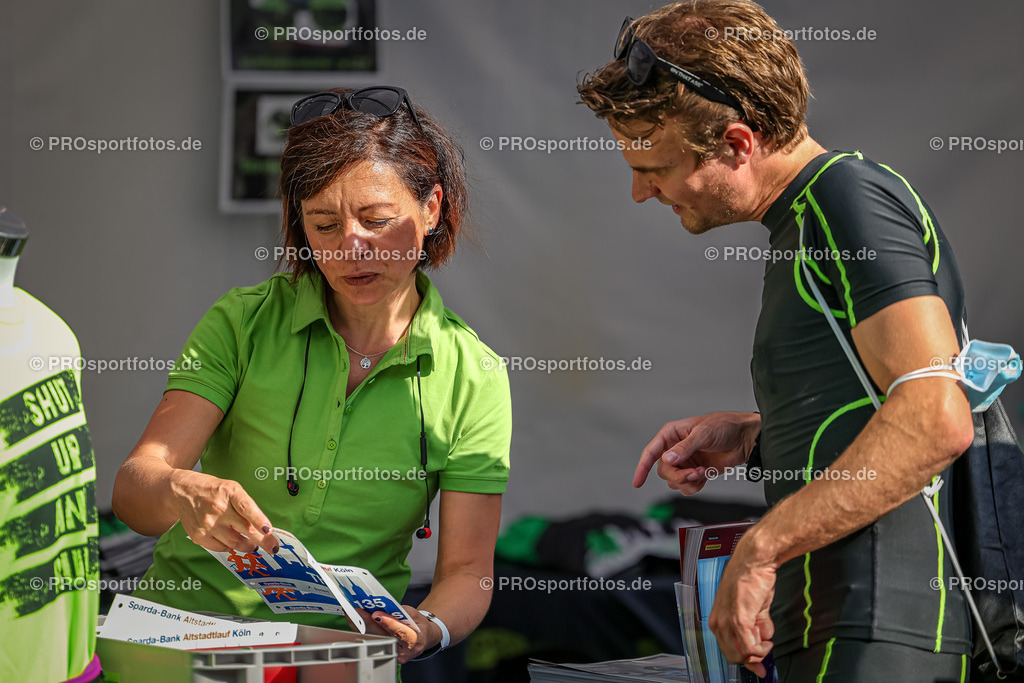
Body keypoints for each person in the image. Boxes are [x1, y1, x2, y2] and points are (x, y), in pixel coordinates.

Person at [579, 2, 979, 681]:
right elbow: (882, 395)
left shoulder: (843, 196)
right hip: (844, 621)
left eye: (653, 167)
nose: (641, 192)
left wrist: (760, 549)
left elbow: (935, 414)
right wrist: (760, 436)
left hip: (881, 628)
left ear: (737, 142)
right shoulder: (806, 217)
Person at [112, 86, 512, 664]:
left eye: (376, 220)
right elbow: (133, 490)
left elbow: (469, 572)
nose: (352, 246)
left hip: (342, 661)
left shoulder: (474, 375)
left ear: (432, 209)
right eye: (324, 224)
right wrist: (178, 490)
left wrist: (425, 628)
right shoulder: (243, 321)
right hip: (183, 643)